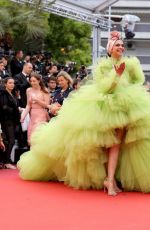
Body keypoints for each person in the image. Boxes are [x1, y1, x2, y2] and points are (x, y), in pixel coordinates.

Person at [18, 31, 150, 195]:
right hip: (104, 107)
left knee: (118, 143)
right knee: (106, 144)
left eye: (122, 45)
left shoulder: (129, 64)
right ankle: (108, 179)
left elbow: (138, 81)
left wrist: (130, 72)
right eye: (117, 45)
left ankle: (110, 179)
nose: (121, 47)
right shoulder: (103, 66)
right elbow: (105, 88)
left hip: (126, 107)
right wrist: (116, 75)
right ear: (110, 49)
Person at [20, 72, 50, 144]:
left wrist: (37, 100)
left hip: (41, 114)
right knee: (30, 139)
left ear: (39, 81)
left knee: (36, 136)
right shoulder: (28, 90)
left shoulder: (44, 90)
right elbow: (28, 105)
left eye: (34, 81)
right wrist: (23, 116)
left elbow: (47, 105)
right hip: (32, 115)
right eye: (31, 81)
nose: (32, 83)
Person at [0, 77, 20, 169]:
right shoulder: (3, 94)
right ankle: (7, 162)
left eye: (13, 83)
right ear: (5, 84)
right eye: (10, 83)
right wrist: (16, 110)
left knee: (9, 141)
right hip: (6, 120)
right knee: (10, 140)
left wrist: (17, 110)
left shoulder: (12, 94)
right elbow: (4, 107)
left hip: (12, 120)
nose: (12, 84)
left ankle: (5, 160)